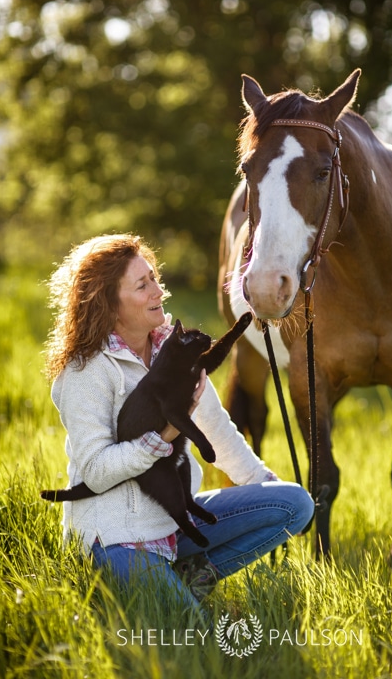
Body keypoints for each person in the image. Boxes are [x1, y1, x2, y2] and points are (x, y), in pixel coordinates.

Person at [45, 233, 314, 613]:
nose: (159, 290)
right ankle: (166, 589)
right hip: (116, 539)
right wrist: (165, 435)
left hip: (174, 525)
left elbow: (217, 430)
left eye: (154, 277)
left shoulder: (173, 348)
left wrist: (262, 488)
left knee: (295, 504)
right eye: (143, 285)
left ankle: (188, 572)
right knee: (197, 637)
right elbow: (95, 470)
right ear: (109, 303)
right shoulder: (85, 371)